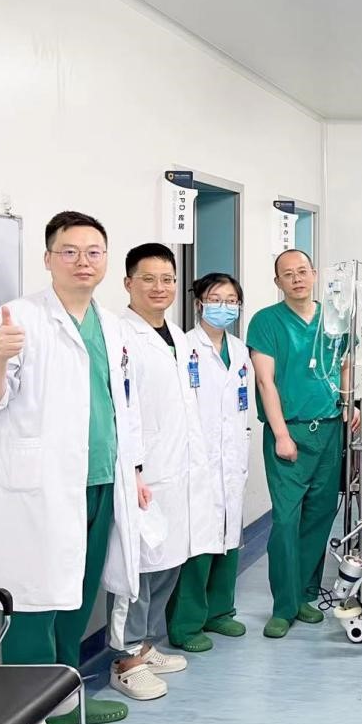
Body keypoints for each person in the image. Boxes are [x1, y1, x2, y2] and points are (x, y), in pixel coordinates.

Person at [0, 210, 147, 724]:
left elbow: (121, 406)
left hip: (101, 480)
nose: (82, 261)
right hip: (41, 488)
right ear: (47, 258)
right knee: (34, 603)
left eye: (93, 251)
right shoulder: (18, 318)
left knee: (77, 598)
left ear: (105, 260)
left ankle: (61, 699)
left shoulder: (111, 326)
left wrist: (135, 470)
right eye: (69, 251)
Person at [110, 244, 219, 699]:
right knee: (138, 566)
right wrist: (133, 467)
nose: (160, 287)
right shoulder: (120, 335)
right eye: (149, 278)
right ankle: (125, 660)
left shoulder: (177, 335)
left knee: (170, 560)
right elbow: (123, 407)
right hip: (146, 470)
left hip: (180, 468)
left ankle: (146, 643)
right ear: (128, 283)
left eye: (168, 279)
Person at [248, 249, 356, 638]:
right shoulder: (266, 322)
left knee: (319, 514)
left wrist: (348, 404)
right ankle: (283, 606)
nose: (296, 279)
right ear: (277, 282)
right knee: (286, 520)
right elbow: (265, 381)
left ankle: (305, 595)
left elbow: (345, 363)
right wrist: (280, 434)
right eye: (287, 274)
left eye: (302, 271)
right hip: (289, 430)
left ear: (314, 274)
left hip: (328, 428)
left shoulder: (336, 318)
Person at [168, 272, 255, 651]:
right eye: (216, 299)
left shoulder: (239, 350)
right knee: (198, 544)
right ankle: (186, 626)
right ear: (199, 303)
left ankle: (220, 611)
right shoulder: (183, 346)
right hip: (196, 460)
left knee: (228, 537)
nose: (224, 306)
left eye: (231, 300)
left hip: (231, 459)